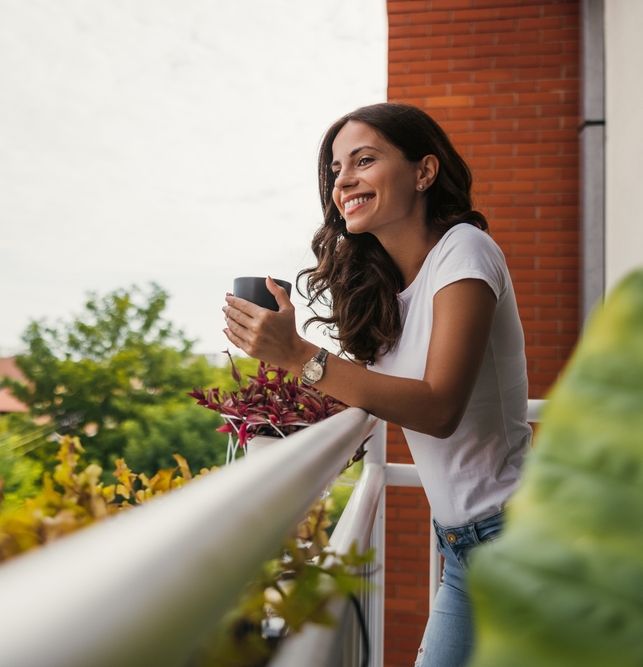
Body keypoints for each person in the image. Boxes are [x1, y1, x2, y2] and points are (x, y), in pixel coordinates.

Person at [222, 102, 531, 666]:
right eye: (336, 169)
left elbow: (438, 408)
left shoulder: (465, 252)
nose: (344, 181)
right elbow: (371, 391)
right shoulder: (387, 289)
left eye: (364, 160)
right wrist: (275, 410)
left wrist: (297, 354)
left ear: (424, 172)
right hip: (463, 544)